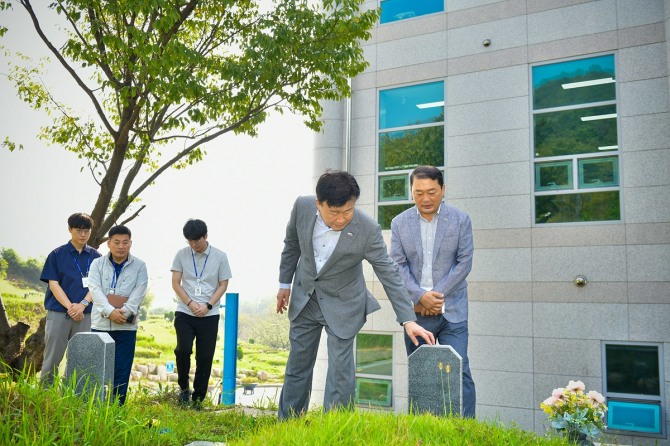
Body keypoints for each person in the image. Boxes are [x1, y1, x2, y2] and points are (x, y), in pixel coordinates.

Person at [276, 170, 435, 420]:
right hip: (305, 297)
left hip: (343, 303)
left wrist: (408, 319)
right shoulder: (302, 207)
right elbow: (292, 244)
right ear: (319, 203)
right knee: (298, 367)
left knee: (341, 373)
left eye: (347, 211)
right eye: (334, 212)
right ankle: (287, 425)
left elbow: (388, 271)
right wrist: (284, 283)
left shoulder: (368, 229)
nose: (341, 219)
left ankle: (334, 429)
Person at [389, 165, 476, 417]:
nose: (425, 199)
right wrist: (420, 296)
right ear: (411, 192)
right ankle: (423, 430)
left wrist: (435, 295)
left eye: (431, 192)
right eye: (418, 193)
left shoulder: (461, 220)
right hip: (416, 314)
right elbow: (397, 265)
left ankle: (466, 428)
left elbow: (464, 262)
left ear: (443, 190)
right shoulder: (399, 222)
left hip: (453, 312)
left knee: (460, 371)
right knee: (422, 375)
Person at [171, 219, 231, 407]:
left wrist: (208, 305)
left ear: (205, 236)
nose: (193, 244)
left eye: (197, 240)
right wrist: (190, 303)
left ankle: (198, 398)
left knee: (205, 356)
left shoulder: (220, 256)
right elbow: (175, 283)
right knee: (183, 350)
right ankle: (183, 389)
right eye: (189, 241)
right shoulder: (181, 255)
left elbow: (223, 284)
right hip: (185, 312)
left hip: (209, 314)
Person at [39, 212, 102, 385]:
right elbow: (53, 284)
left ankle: (73, 397)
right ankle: (45, 397)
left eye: (86, 230)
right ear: (70, 229)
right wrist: (71, 307)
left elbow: (97, 285)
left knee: (81, 359)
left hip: (86, 315)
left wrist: (82, 304)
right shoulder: (57, 254)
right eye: (78, 230)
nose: (83, 234)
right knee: (52, 357)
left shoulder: (97, 257)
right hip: (59, 313)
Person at [88, 225, 148, 405]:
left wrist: (125, 312)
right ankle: (96, 406)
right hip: (100, 324)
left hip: (126, 327)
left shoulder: (139, 266)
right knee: (97, 368)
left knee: (122, 370)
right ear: (109, 243)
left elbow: (140, 291)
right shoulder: (97, 264)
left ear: (130, 243)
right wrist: (109, 312)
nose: (121, 246)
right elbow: (94, 289)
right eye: (117, 242)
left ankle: (117, 407)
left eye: (125, 242)